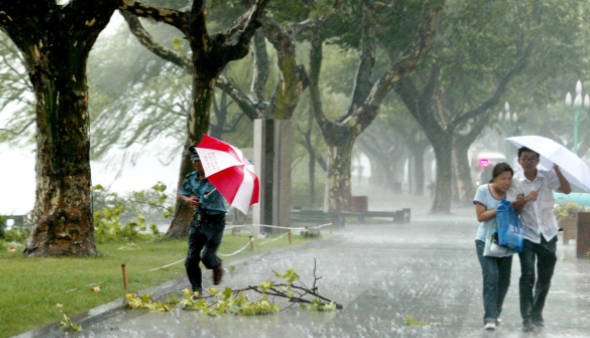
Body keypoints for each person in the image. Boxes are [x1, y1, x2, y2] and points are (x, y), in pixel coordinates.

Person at [507, 147, 571, 332]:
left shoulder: (547, 176)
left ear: (538, 161)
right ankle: (526, 318)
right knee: (527, 276)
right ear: (519, 161)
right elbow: (513, 209)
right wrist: (526, 199)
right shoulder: (515, 182)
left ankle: (537, 313)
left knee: (545, 277)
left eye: (533, 158)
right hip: (527, 234)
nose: (529, 161)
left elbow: (566, 190)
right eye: (525, 158)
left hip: (548, 233)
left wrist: (558, 171)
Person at [179, 148, 227, 298]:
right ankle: (196, 290)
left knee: (207, 258)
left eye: (199, 160)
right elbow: (183, 193)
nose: (196, 163)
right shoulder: (191, 177)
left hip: (215, 222)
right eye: (194, 160)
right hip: (198, 221)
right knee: (191, 259)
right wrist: (188, 199)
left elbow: (218, 192)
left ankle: (216, 265)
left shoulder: (218, 178)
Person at [473, 162, 515, 331]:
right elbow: (481, 216)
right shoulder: (483, 190)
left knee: (504, 281)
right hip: (484, 241)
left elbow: (516, 214)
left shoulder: (513, 193)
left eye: (509, 179)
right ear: (494, 178)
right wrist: (501, 208)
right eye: (503, 178)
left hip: (506, 242)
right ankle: (489, 317)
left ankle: (496, 313)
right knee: (491, 277)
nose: (507, 182)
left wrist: (521, 203)